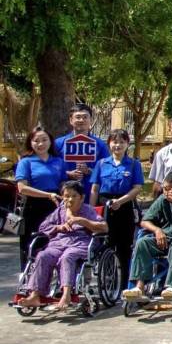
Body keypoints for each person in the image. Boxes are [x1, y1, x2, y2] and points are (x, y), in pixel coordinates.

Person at [16, 181, 106, 311]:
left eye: (74, 196)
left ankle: (66, 294)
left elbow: (104, 227)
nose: (69, 199)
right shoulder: (59, 211)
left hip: (81, 242)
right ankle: (35, 295)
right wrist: (58, 227)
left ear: (82, 197)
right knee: (43, 255)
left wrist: (84, 221)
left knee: (67, 257)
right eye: (66, 196)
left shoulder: (88, 210)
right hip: (59, 242)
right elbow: (43, 227)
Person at [122, 170, 172, 302]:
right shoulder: (162, 199)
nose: (166, 192)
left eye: (170, 189)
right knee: (142, 242)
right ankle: (139, 287)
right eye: (164, 189)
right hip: (164, 238)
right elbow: (144, 221)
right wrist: (157, 230)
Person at [90, 129, 144, 290]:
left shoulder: (134, 164)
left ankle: (124, 285)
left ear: (128, 144)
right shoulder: (101, 164)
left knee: (124, 247)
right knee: (106, 243)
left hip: (125, 205)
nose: (118, 145)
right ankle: (107, 281)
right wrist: (92, 211)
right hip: (105, 205)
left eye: (122, 142)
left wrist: (120, 201)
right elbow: (95, 189)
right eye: (114, 142)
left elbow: (137, 188)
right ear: (109, 144)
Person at [15, 126, 69, 267]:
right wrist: (48, 195)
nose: (40, 144)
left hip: (55, 206)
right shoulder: (25, 162)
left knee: (53, 243)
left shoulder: (58, 161)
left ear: (50, 142)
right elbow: (22, 188)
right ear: (30, 143)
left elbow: (63, 183)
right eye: (36, 141)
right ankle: (27, 280)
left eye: (44, 140)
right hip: (33, 206)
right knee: (31, 244)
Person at [54, 102, 110, 184]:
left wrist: (89, 171)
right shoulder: (58, 143)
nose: (81, 120)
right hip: (66, 192)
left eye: (85, 117)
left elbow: (107, 169)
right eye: (78, 117)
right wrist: (67, 173)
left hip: (91, 192)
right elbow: (50, 167)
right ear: (71, 120)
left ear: (90, 120)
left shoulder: (100, 144)